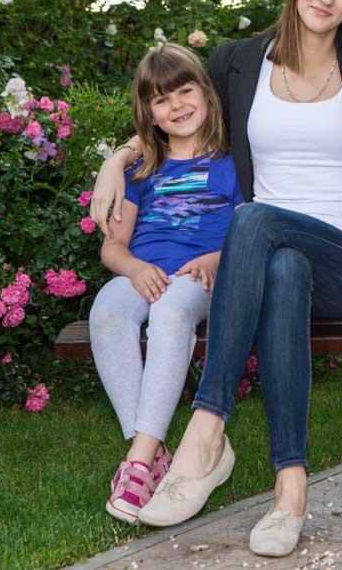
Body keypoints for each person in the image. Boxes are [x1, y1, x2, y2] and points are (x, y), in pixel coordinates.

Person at [89, 0, 342, 556]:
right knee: (283, 267)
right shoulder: (239, 60)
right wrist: (118, 158)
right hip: (271, 259)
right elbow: (178, 118)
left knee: (254, 221)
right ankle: (290, 492)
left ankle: (207, 430)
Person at [89, 43, 243, 524]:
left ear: (206, 92)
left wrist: (218, 258)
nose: (176, 106)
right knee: (107, 312)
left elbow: (251, 231)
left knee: (171, 311)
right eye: (161, 99)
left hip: (199, 276)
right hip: (145, 271)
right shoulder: (141, 169)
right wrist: (134, 269)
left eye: (184, 91)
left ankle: (138, 462)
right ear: (148, 113)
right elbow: (113, 247)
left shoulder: (232, 162)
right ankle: (151, 451)